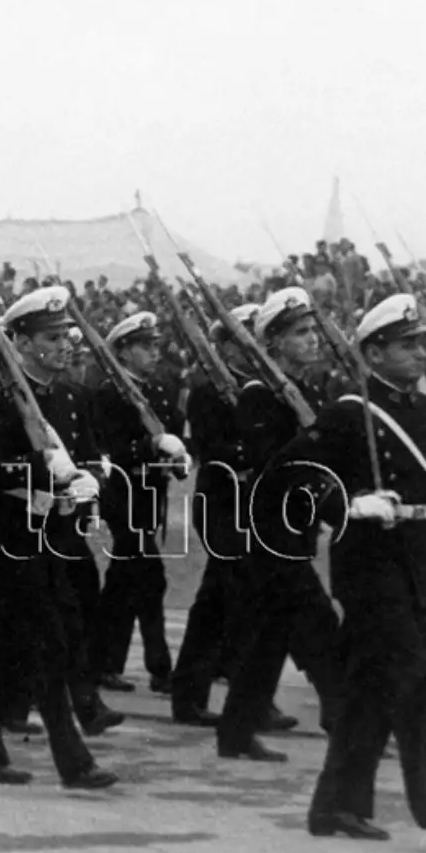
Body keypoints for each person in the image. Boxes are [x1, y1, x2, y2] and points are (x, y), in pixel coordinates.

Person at [276, 293, 426, 849]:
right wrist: (346, 505)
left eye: (421, 343)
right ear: (373, 352)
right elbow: (286, 478)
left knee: (368, 696)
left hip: (417, 564)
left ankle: (336, 807)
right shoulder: (351, 412)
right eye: (405, 345)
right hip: (369, 567)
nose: (420, 353)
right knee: (412, 682)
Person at [0, 286, 117, 791]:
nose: (66, 344)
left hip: (59, 539)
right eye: (53, 336)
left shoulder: (69, 397)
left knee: (17, 649)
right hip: (15, 543)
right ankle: (73, 760)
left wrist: (94, 478)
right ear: (23, 344)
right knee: (49, 644)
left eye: (67, 334)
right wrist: (41, 466)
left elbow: (92, 456)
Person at [222, 288, 340, 761]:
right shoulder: (258, 397)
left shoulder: (304, 392)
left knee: (267, 641)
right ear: (272, 343)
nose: (313, 340)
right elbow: (271, 470)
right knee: (322, 627)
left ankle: (233, 734)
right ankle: (344, 718)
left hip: (295, 532)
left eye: (313, 331)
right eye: (301, 333)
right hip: (270, 536)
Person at [169, 304, 257, 727]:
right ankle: (194, 694)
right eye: (240, 339)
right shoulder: (207, 390)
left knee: (228, 602)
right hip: (221, 502)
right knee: (222, 599)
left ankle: (199, 691)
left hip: (252, 506)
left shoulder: (259, 387)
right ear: (222, 345)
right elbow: (209, 447)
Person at [92, 312, 188, 694]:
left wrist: (176, 454)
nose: (154, 352)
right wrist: (148, 446)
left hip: (151, 498)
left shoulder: (159, 389)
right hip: (123, 495)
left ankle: (104, 663)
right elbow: (110, 448)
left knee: (126, 584)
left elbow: (175, 433)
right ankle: (159, 668)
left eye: (154, 345)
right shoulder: (108, 394)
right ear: (123, 352)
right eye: (144, 346)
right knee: (148, 580)